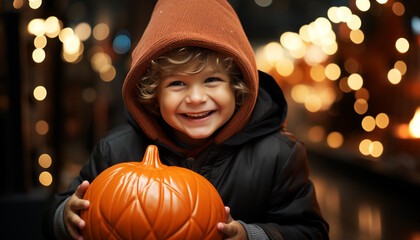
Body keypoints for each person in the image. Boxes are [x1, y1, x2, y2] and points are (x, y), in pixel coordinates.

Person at [43, 0, 329, 239]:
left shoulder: (278, 154)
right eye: (177, 84)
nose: (195, 98)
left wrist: (251, 235)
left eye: (212, 80)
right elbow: (54, 215)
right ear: (153, 94)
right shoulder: (115, 151)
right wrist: (65, 217)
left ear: (237, 87)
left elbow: (310, 232)